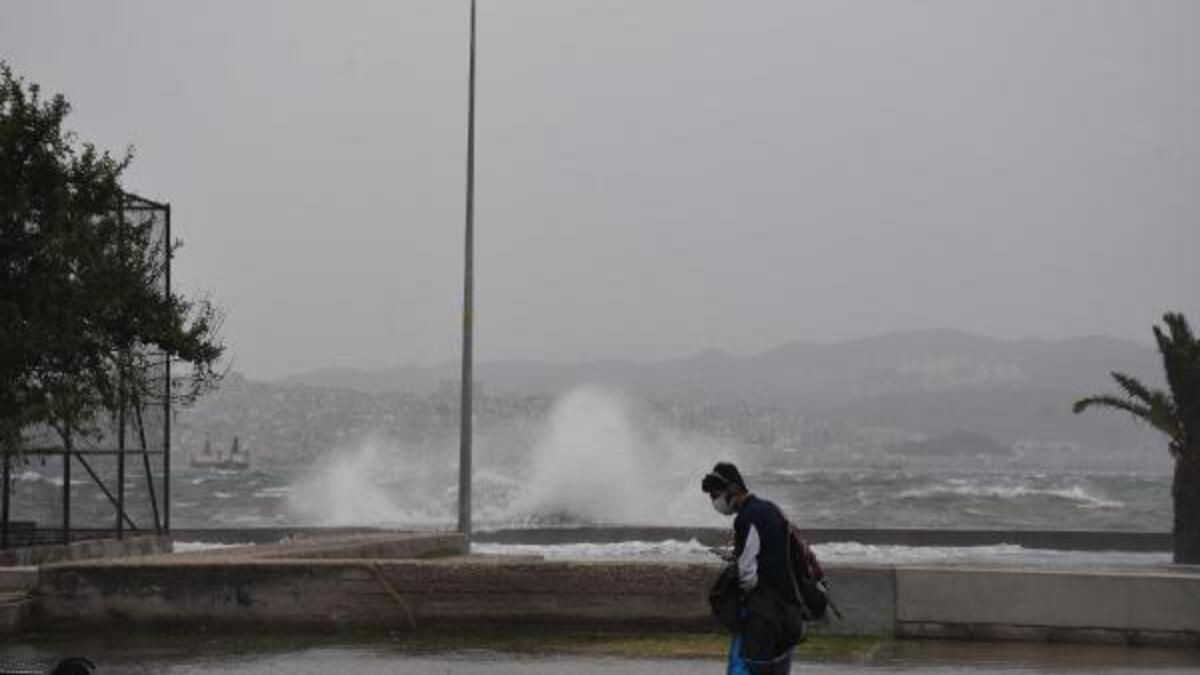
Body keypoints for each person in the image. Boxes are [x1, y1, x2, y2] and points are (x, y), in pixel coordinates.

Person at [702, 462, 803, 675]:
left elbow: (748, 575)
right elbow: (772, 552)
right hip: (787, 610)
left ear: (734, 489)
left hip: (763, 614)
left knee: (746, 668)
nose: (715, 501)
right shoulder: (770, 509)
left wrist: (736, 576)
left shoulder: (747, 517)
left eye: (716, 494)